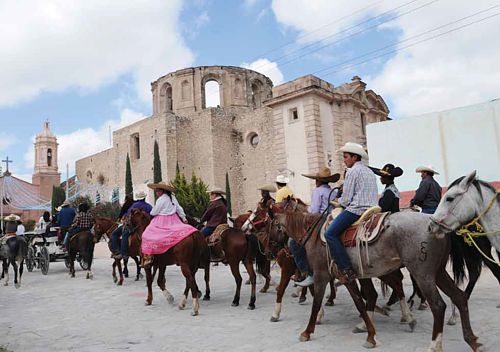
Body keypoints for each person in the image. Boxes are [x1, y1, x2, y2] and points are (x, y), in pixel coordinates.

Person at [324, 142, 378, 284]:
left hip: (357, 210)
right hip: (372, 209)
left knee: (329, 234)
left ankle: (346, 269)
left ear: (355, 157)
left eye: (346, 156)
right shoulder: (369, 171)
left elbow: (347, 199)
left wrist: (337, 201)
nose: (344, 159)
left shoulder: (352, 172)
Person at [294, 167, 340, 287]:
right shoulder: (332, 191)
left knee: (293, 243)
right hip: (333, 220)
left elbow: (314, 211)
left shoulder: (318, 191)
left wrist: (305, 211)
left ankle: (308, 272)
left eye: (316, 180)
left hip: (320, 221)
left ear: (318, 181)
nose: (315, 182)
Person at [141, 182, 196, 268]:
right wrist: (184, 218)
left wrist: (152, 212)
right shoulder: (172, 197)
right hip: (174, 219)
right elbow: (179, 208)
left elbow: (153, 212)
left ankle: (149, 257)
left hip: (161, 220)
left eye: (157, 191)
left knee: (147, 235)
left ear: (162, 191)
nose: (156, 193)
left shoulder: (161, 199)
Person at [111, 191, 152, 260]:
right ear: (144, 198)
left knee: (118, 234)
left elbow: (127, 215)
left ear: (138, 198)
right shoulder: (149, 206)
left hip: (134, 227)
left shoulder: (135, 205)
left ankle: (122, 253)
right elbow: (152, 216)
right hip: (147, 227)